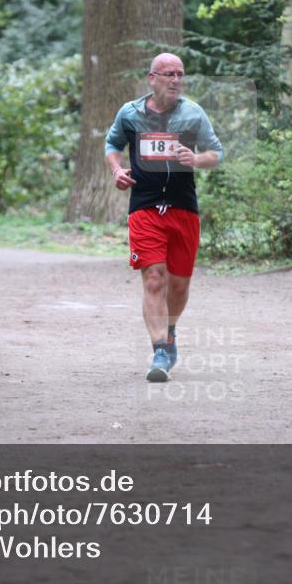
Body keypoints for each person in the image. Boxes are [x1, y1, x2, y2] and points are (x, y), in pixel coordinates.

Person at [104, 52, 223, 382]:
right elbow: (112, 144)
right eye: (168, 74)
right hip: (144, 206)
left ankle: (169, 332)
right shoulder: (130, 114)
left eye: (180, 74)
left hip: (184, 208)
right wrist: (117, 170)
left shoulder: (192, 113)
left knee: (180, 285)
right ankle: (159, 350)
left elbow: (217, 152)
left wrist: (197, 159)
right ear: (151, 78)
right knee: (154, 277)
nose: (175, 80)